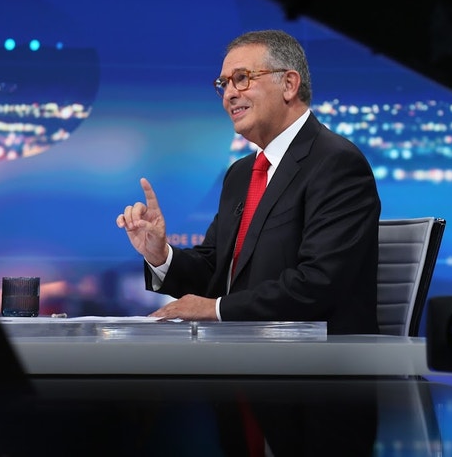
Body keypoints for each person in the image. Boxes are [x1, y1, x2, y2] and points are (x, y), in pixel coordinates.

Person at [116, 29, 381, 456]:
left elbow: (319, 283)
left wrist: (216, 310)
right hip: (243, 379)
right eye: (223, 84)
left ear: (289, 84)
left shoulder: (336, 163)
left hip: (313, 395)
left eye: (242, 78)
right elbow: (214, 269)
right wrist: (159, 254)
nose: (229, 94)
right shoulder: (242, 173)